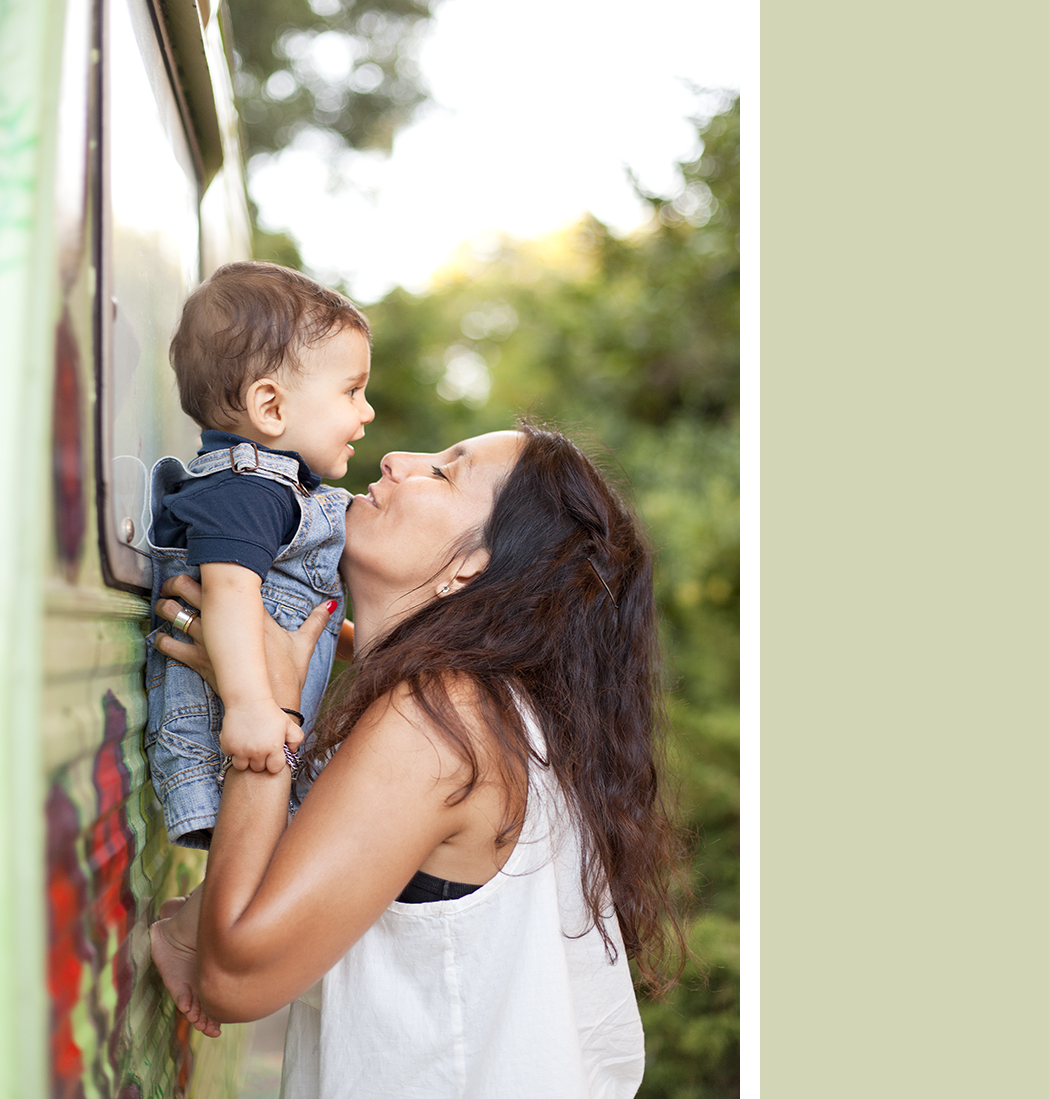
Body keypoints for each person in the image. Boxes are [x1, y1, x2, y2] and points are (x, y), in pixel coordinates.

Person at [151, 423, 685, 1098]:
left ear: (473, 568)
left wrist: (271, 715)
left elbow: (235, 981)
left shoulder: (440, 722)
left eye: (445, 472)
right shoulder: (494, 712)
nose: (399, 460)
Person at [144, 261, 374, 1019]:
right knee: (283, 849)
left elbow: (277, 601)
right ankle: (186, 935)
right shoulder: (250, 489)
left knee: (286, 846)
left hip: (249, 717)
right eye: (351, 391)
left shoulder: (275, 488)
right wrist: (248, 703)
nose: (365, 412)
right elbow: (235, 593)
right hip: (223, 723)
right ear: (270, 406)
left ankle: (186, 933)